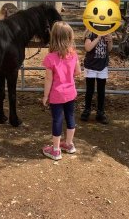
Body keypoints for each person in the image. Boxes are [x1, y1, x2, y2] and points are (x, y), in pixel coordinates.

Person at [42, 21, 81, 161]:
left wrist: (45, 96)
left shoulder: (50, 58)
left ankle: (56, 149)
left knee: (57, 120)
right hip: (70, 93)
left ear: (54, 37)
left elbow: (48, 79)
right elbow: (78, 72)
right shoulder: (74, 55)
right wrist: (67, 73)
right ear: (69, 37)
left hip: (57, 95)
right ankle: (69, 144)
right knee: (70, 117)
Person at [80, 30, 113, 124]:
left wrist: (110, 41)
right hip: (91, 66)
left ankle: (100, 112)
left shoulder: (107, 32)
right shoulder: (90, 33)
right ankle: (87, 110)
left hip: (102, 66)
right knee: (89, 90)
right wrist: (98, 38)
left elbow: (109, 49)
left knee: (101, 90)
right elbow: (87, 48)